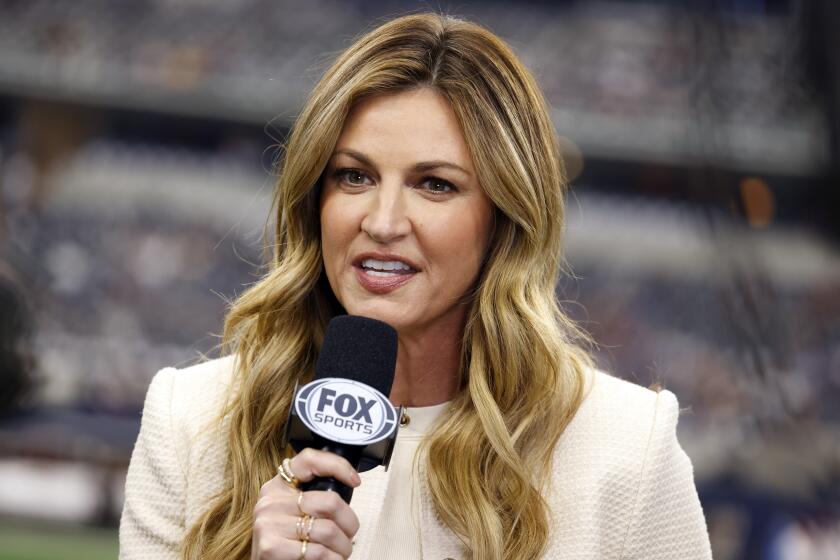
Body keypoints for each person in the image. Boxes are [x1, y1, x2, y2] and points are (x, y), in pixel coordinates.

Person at [119, 13, 712, 560]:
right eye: (354, 176)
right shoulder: (190, 421)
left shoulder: (626, 446)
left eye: (434, 185)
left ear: (504, 220)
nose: (381, 221)